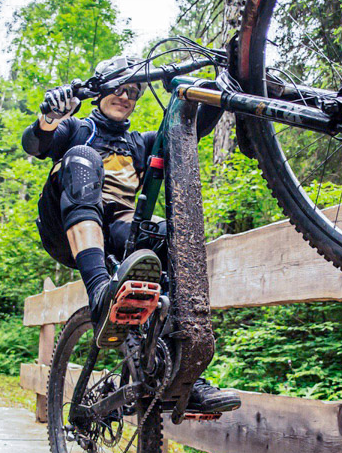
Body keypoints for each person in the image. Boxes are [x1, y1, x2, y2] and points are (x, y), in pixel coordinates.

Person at [21, 54, 240, 415]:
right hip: (64, 226)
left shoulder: (140, 144)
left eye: (133, 93)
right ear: (101, 91)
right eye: (118, 89)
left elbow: (191, 129)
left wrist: (221, 86)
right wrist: (49, 117)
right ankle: (98, 295)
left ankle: (179, 370)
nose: (125, 96)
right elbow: (35, 144)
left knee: (172, 237)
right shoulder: (77, 129)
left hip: (117, 230)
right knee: (81, 158)